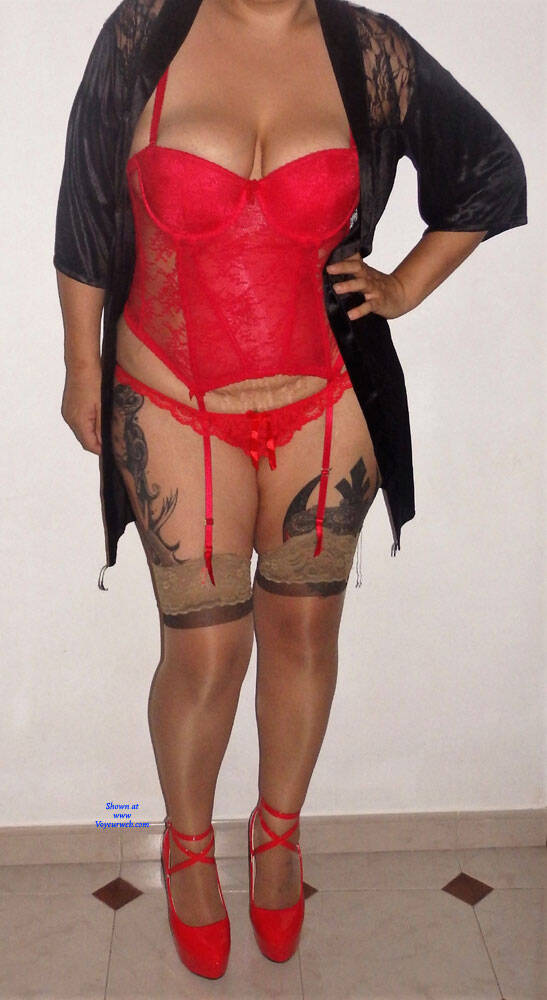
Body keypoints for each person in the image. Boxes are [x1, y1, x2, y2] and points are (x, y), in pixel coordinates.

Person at [53, 0, 527, 981]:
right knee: (205, 653)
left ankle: (278, 834)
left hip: (327, 400)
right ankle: (188, 846)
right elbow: (86, 206)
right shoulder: (145, 30)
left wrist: (403, 285)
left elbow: (490, 169)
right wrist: (78, 365)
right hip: (170, 399)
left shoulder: (368, 49)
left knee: (304, 633)